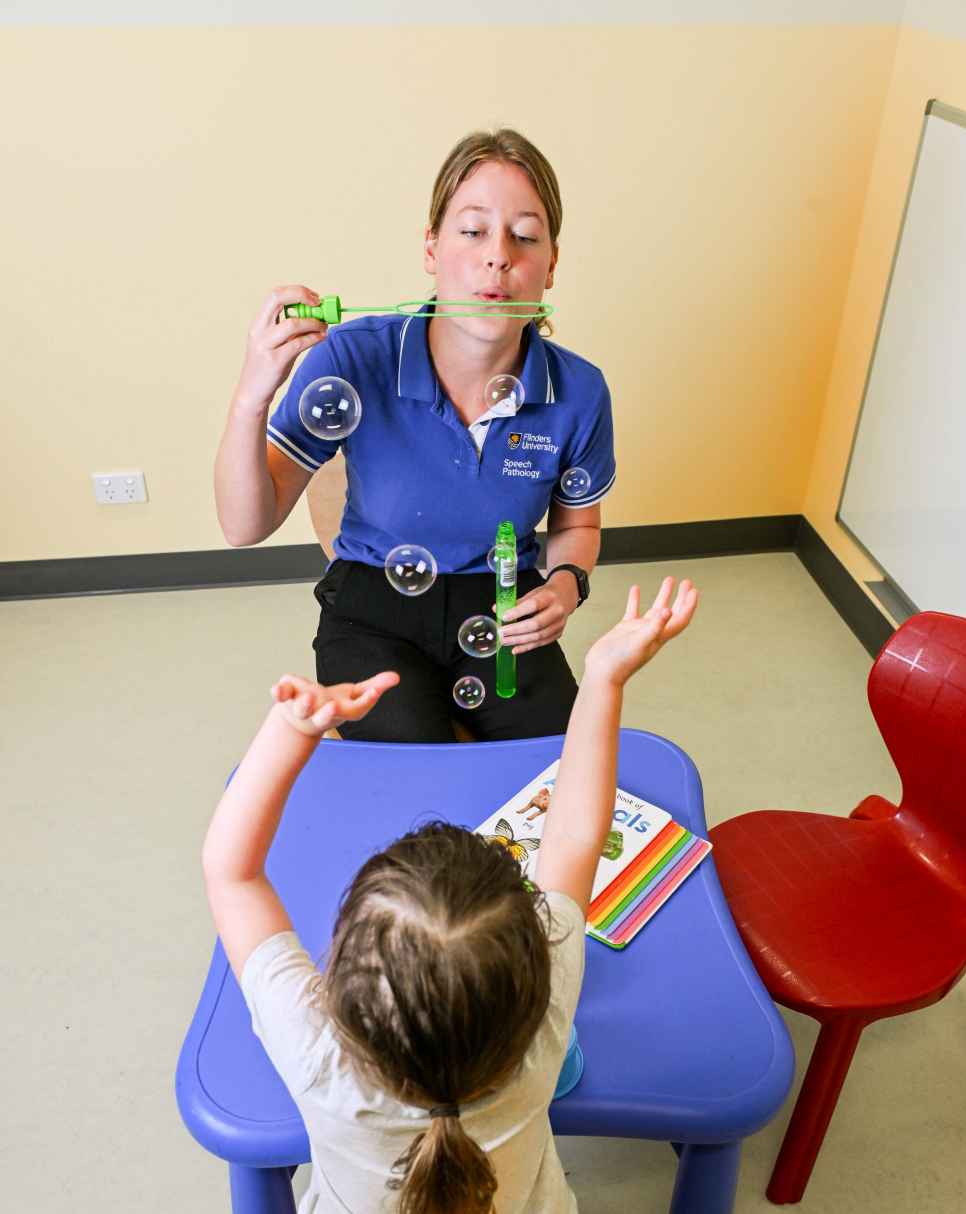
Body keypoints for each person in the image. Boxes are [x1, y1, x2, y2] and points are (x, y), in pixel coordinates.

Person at [202, 575, 699, 1214]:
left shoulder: (319, 1059)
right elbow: (575, 838)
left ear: (340, 985)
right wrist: (604, 677)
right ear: (530, 971)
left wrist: (292, 729)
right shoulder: (545, 1024)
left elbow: (231, 873)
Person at [214, 128, 616, 743]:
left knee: (556, 776)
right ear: (432, 248)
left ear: (551, 264)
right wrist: (252, 395)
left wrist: (567, 586)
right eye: (472, 230)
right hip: (372, 608)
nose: (498, 256)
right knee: (415, 782)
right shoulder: (354, 359)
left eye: (525, 236)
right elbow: (246, 525)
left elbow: (576, 526)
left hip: (503, 605)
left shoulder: (579, 392)